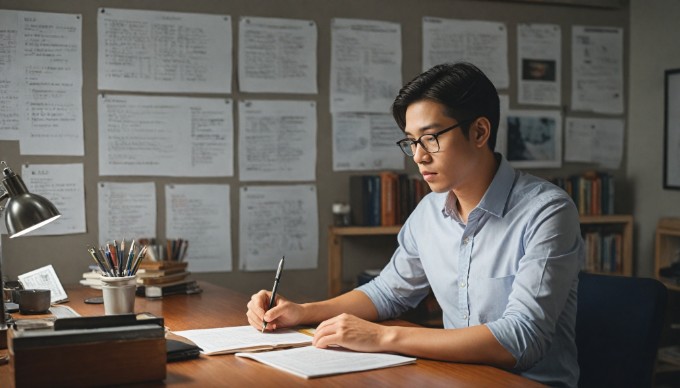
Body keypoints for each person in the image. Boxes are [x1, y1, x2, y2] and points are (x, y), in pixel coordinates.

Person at [246, 62, 583, 387]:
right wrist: (302, 312)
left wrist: (383, 336)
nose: (419, 156)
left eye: (431, 138)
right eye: (411, 141)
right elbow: (387, 292)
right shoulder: (429, 212)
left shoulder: (547, 212)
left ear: (479, 131)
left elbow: (521, 339)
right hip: (456, 379)